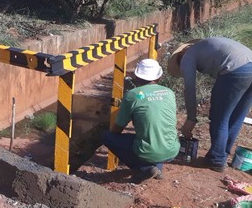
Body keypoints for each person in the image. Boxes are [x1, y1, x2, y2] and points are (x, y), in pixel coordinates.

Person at [168, 37, 252, 172]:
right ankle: (222, 152)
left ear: (180, 55)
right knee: (237, 115)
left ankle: (217, 159)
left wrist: (191, 119)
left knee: (219, 116)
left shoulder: (187, 56)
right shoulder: (204, 47)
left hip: (235, 71)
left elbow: (190, 89)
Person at [103, 59, 180, 184]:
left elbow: (118, 127)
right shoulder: (169, 93)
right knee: (156, 136)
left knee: (108, 137)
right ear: (159, 76)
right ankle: (156, 169)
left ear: (137, 76)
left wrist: (113, 133)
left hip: (149, 150)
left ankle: (143, 168)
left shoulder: (133, 95)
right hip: (172, 149)